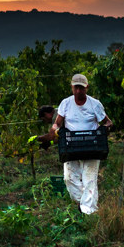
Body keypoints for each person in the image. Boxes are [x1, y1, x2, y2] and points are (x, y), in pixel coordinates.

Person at [48, 74, 113, 215]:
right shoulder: (66, 103)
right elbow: (57, 123)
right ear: (72, 87)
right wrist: (54, 129)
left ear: (86, 88)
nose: (78, 91)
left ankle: (88, 212)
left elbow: (108, 122)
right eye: (76, 88)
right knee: (69, 178)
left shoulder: (95, 104)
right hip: (71, 145)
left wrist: (104, 130)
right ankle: (82, 203)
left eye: (81, 88)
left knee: (89, 179)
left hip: (91, 146)